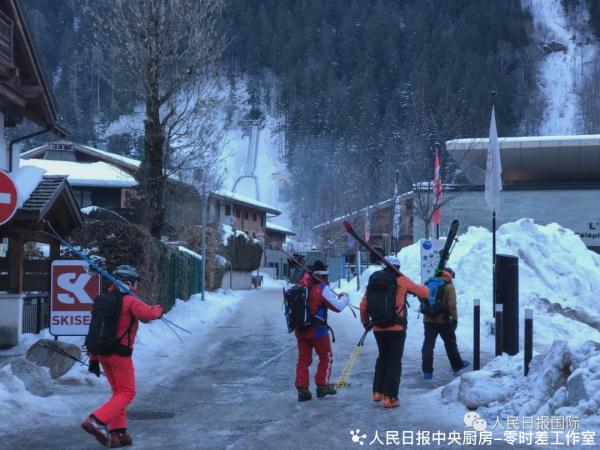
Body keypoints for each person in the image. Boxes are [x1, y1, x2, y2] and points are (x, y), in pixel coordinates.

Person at [81, 265, 163, 448]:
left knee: (118, 393)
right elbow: (147, 314)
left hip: (102, 354)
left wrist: (94, 358)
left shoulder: (102, 299)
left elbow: (95, 329)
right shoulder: (130, 300)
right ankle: (96, 420)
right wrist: (158, 309)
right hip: (119, 354)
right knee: (127, 392)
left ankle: (118, 434)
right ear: (131, 282)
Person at [360, 256, 429, 409]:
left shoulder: (374, 280)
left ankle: (377, 392)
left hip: (378, 327)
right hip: (396, 328)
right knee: (394, 362)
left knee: (382, 358)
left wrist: (366, 322)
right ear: (398, 266)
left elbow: (364, 305)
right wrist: (428, 286)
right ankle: (390, 398)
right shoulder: (401, 279)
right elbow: (422, 292)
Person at [295, 260, 349, 402]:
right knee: (326, 357)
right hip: (317, 330)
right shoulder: (321, 288)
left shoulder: (302, 285)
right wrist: (345, 297)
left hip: (301, 329)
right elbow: (337, 306)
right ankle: (322, 385)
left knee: (303, 359)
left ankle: (302, 389)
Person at [421, 267, 470, 380]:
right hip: (443, 320)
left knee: (428, 345)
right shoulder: (449, 287)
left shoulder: (428, 283)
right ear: (449, 275)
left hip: (428, 320)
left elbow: (421, 298)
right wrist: (455, 319)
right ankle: (457, 365)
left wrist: (430, 309)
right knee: (450, 343)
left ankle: (427, 371)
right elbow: (452, 305)